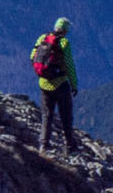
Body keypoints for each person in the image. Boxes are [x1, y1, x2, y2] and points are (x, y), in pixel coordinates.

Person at [30, 16, 82, 154]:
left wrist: (43, 73)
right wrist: (74, 85)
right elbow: (70, 65)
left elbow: (32, 56)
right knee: (66, 116)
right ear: (65, 30)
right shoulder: (64, 43)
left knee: (47, 114)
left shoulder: (42, 38)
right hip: (60, 84)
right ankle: (70, 146)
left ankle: (44, 145)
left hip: (44, 84)